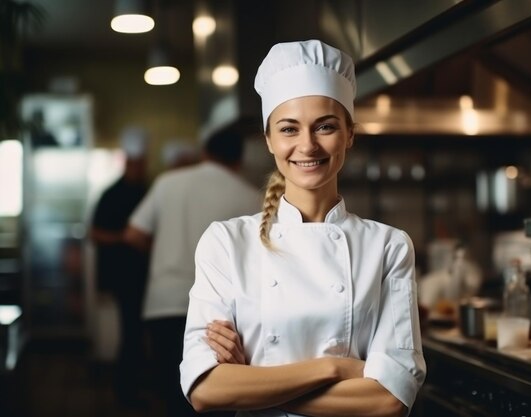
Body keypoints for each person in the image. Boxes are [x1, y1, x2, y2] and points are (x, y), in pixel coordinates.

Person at [180, 39, 427, 417]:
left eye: (325, 126)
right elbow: (204, 389)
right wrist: (337, 368)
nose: (307, 146)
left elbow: (389, 399)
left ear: (349, 134)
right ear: (269, 140)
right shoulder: (226, 243)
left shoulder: (389, 246)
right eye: (289, 129)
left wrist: (252, 382)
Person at [124, 129, 262, 417]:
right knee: (215, 398)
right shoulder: (251, 196)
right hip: (221, 314)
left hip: (164, 302)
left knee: (172, 394)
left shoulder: (168, 183)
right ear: (238, 162)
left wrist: (165, 249)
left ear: (204, 153)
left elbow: (133, 234)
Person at [89, 126, 150, 407]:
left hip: (148, 276)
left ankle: (136, 387)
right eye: (135, 164)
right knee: (131, 334)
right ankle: (126, 392)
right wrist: (124, 237)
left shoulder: (148, 190)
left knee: (138, 334)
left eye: (142, 164)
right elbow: (95, 233)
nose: (139, 168)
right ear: (127, 162)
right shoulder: (111, 194)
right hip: (124, 277)